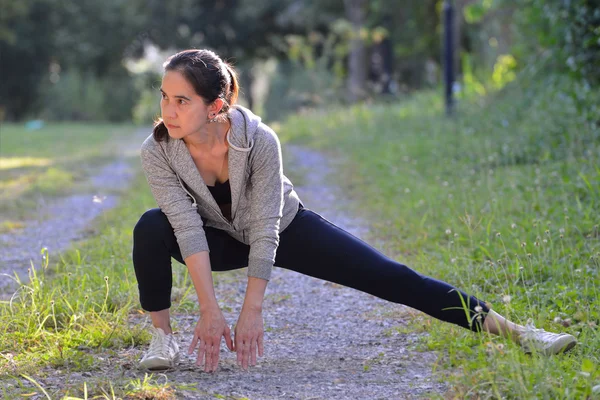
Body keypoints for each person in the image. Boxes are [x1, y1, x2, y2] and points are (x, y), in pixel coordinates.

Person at [132, 49, 577, 372]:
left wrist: (252, 309)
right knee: (152, 226)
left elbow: (267, 227)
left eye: (181, 100)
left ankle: (521, 334)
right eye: (165, 97)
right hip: (217, 237)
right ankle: (163, 339)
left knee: (391, 276)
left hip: (283, 227)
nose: (168, 110)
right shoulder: (159, 150)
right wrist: (210, 311)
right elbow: (187, 228)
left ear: (216, 106)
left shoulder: (259, 140)